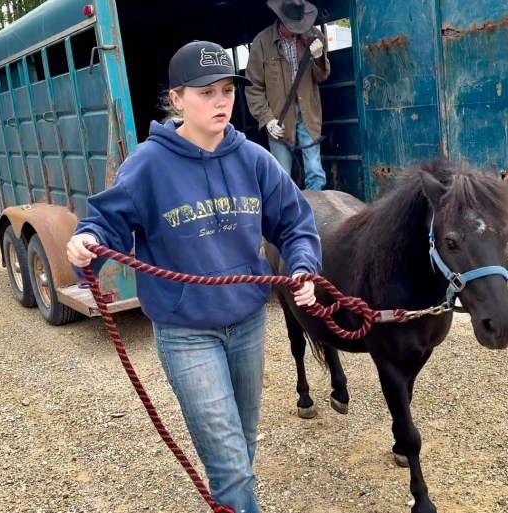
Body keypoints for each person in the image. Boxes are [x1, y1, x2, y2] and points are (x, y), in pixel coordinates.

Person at [66, 40, 322, 513]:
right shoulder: (147, 164)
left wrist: (303, 266)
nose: (221, 101)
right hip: (186, 334)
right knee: (229, 462)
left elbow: (294, 223)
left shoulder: (255, 160)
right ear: (177, 99)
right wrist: (87, 243)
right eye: (206, 92)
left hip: (247, 323)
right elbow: (107, 223)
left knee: (241, 446)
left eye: (227, 89)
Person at [245, 0, 330, 191]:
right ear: (281, 20)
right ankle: (287, 218)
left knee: (315, 172)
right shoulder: (262, 42)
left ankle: (315, 217)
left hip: (309, 114)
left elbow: (322, 76)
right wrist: (267, 120)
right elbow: (253, 87)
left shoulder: (315, 37)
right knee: (281, 176)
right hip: (279, 118)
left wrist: (319, 57)